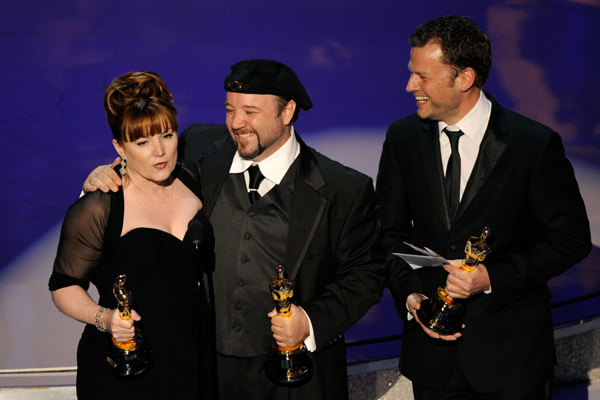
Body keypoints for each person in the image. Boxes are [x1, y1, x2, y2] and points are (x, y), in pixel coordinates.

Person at [83, 59, 385, 399]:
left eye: (251, 112)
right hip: (206, 374)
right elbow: (147, 169)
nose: (236, 123)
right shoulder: (198, 147)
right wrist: (109, 175)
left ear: (287, 112)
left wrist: (309, 322)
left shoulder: (342, 188)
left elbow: (366, 275)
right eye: (230, 110)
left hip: (296, 377)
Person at [376, 14, 592, 399]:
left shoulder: (533, 144)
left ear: (464, 78)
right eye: (413, 73)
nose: (411, 86)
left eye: (423, 76)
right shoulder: (403, 137)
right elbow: (390, 233)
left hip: (511, 360)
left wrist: (490, 277)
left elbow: (570, 238)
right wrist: (411, 296)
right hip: (432, 358)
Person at [49, 71, 213, 399]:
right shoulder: (99, 206)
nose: (159, 152)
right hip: (127, 369)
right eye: (142, 142)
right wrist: (105, 318)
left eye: (167, 135)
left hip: (194, 364)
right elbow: (63, 286)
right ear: (119, 147)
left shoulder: (192, 178)